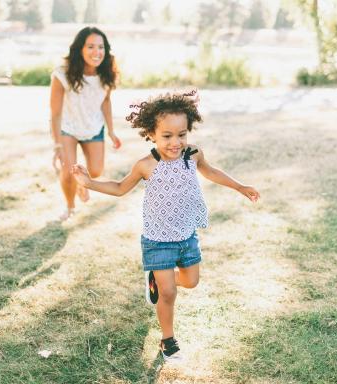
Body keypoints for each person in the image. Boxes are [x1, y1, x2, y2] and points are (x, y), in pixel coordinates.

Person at [72, 91, 260, 362]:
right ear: (151, 133)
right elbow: (120, 188)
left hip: (186, 235)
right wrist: (89, 183)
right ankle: (167, 340)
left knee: (191, 282)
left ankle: (157, 281)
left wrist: (240, 186)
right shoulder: (146, 165)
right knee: (169, 293)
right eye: (167, 136)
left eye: (181, 134)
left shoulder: (193, 155)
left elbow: (211, 171)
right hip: (158, 239)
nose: (176, 142)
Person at [50, 26, 121, 221]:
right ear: (80, 48)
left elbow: (105, 101)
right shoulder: (62, 74)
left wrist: (111, 131)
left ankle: (82, 183)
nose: (96, 52)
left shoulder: (108, 73)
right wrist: (57, 144)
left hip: (94, 128)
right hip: (68, 129)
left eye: (100, 47)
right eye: (90, 46)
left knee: (96, 171)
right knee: (67, 172)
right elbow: (55, 113)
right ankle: (70, 206)